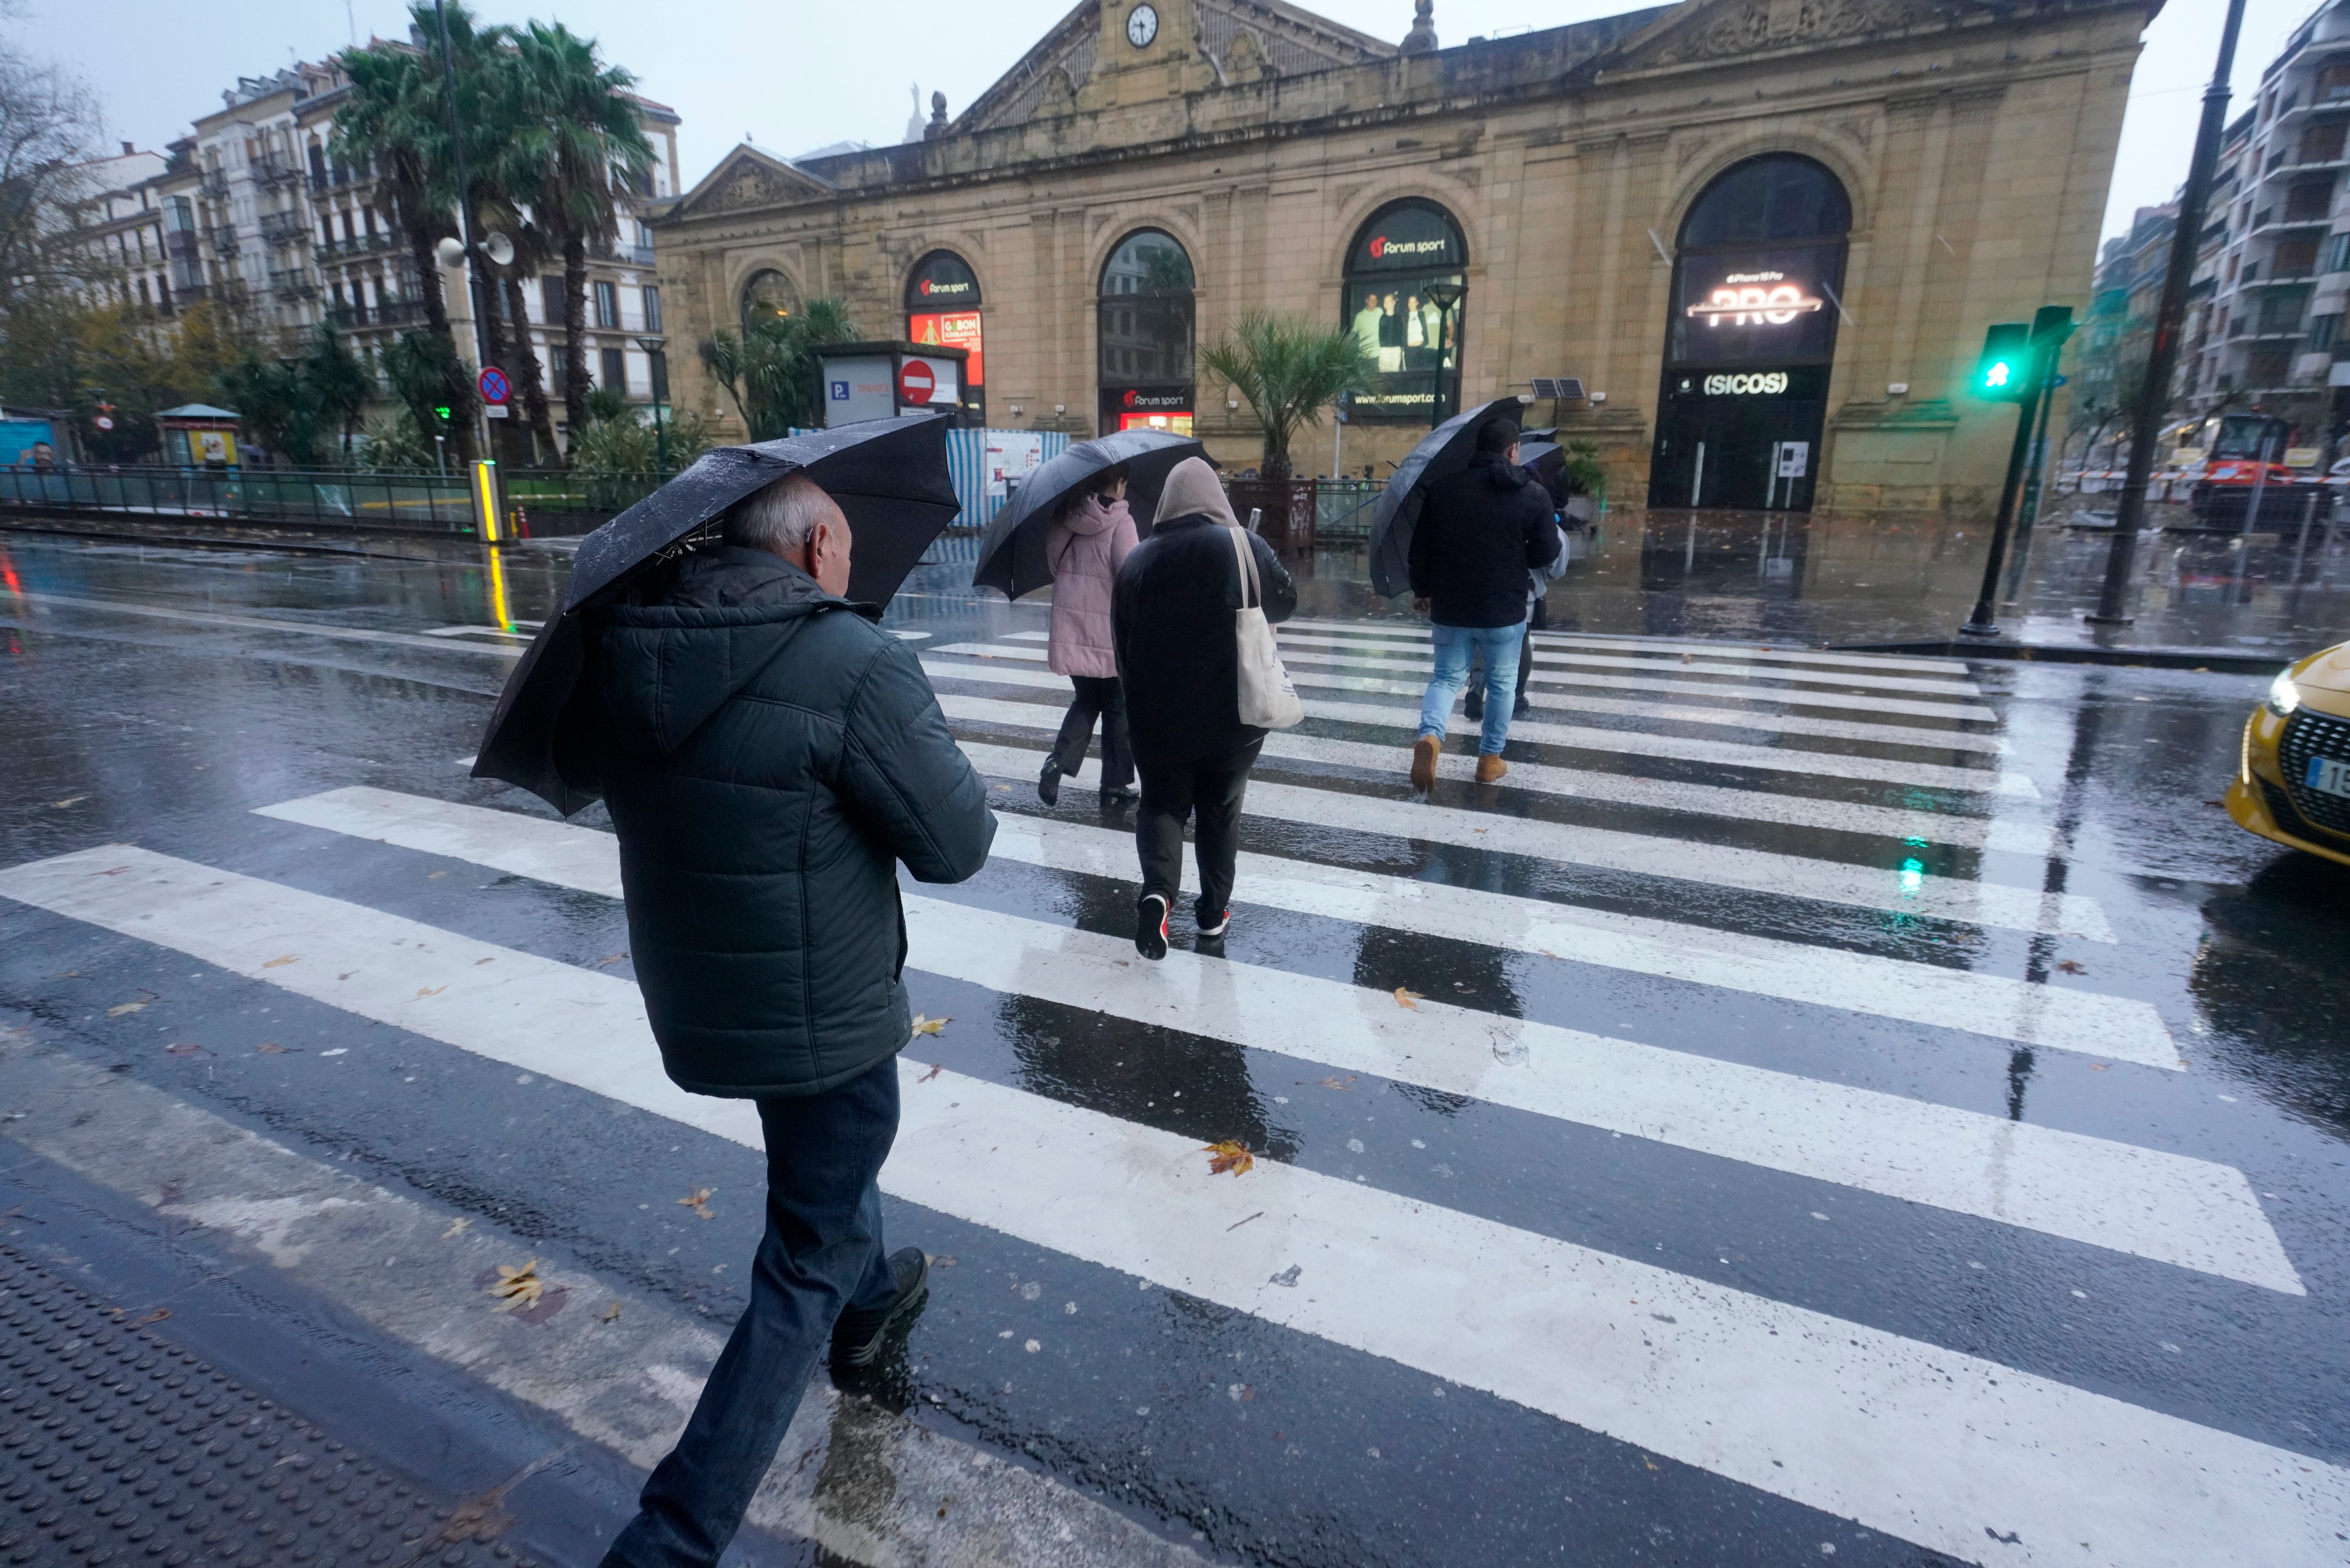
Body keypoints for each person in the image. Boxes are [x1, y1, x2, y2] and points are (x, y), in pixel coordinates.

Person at [572, 471, 996, 1568]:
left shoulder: (630, 641)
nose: (850, 573)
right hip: (821, 1003)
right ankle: (668, 1539)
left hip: (707, 988)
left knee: (826, 1180)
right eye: (846, 552)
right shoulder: (848, 660)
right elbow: (955, 844)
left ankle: (873, 1299)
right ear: (814, 547)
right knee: (809, 1240)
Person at [1113, 456, 1296, 960]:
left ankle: (1157, 893)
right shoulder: (1243, 545)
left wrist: (1138, 715)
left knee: (1162, 805)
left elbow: (1121, 651)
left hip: (1157, 721)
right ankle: (1213, 916)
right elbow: (1286, 602)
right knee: (1219, 812)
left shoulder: (1136, 561)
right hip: (1232, 717)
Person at [1406, 419, 1560, 789]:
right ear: (1512, 451)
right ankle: (1489, 760)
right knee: (1503, 684)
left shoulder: (1443, 490)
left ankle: (1431, 737)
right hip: (1504, 608)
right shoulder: (1533, 494)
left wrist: (1423, 589)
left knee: (1445, 678)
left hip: (1451, 605)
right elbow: (1545, 554)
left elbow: (1421, 549)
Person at [1038, 465, 1138, 806]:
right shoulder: (1121, 522)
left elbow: (1055, 564)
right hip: (1109, 630)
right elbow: (1130, 572)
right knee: (1117, 705)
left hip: (1073, 626)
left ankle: (1058, 761)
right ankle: (1116, 782)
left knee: (1086, 699)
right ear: (1119, 483)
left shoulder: (1066, 516)